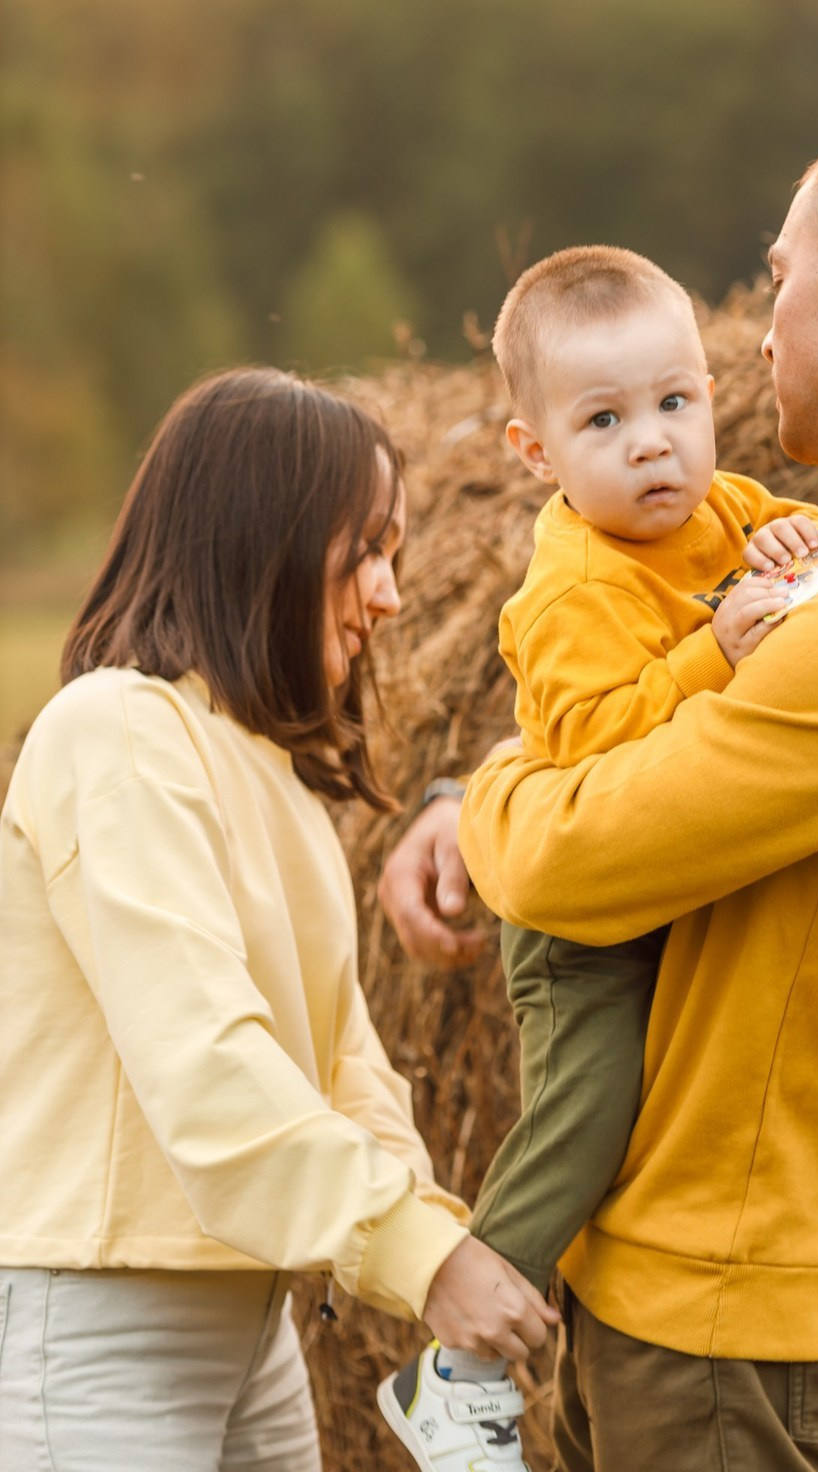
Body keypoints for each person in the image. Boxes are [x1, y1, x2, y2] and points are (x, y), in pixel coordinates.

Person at [380, 107, 818, 1471]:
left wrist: (497, 795)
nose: (757, 329)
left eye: (777, 279)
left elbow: (576, 864)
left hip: (724, 1291)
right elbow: (666, 767)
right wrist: (479, 795)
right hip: (702, 1277)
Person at [0, 367, 556, 1472]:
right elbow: (204, 1064)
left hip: (251, 1326)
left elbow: (345, 1068)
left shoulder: (274, 780)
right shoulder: (116, 732)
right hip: (106, 1323)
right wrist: (425, 1260)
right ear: (264, 538)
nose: (391, 595)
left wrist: (443, 1238)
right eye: (368, 552)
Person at [379, 245, 818, 1470]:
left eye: (675, 404)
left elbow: (809, 533)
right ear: (536, 455)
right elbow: (581, 740)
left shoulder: (722, 506)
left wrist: (805, 550)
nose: (653, 445)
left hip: (657, 889)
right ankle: (462, 1357)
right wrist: (714, 655)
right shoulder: (571, 583)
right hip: (577, 926)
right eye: (604, 420)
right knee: (590, 1108)